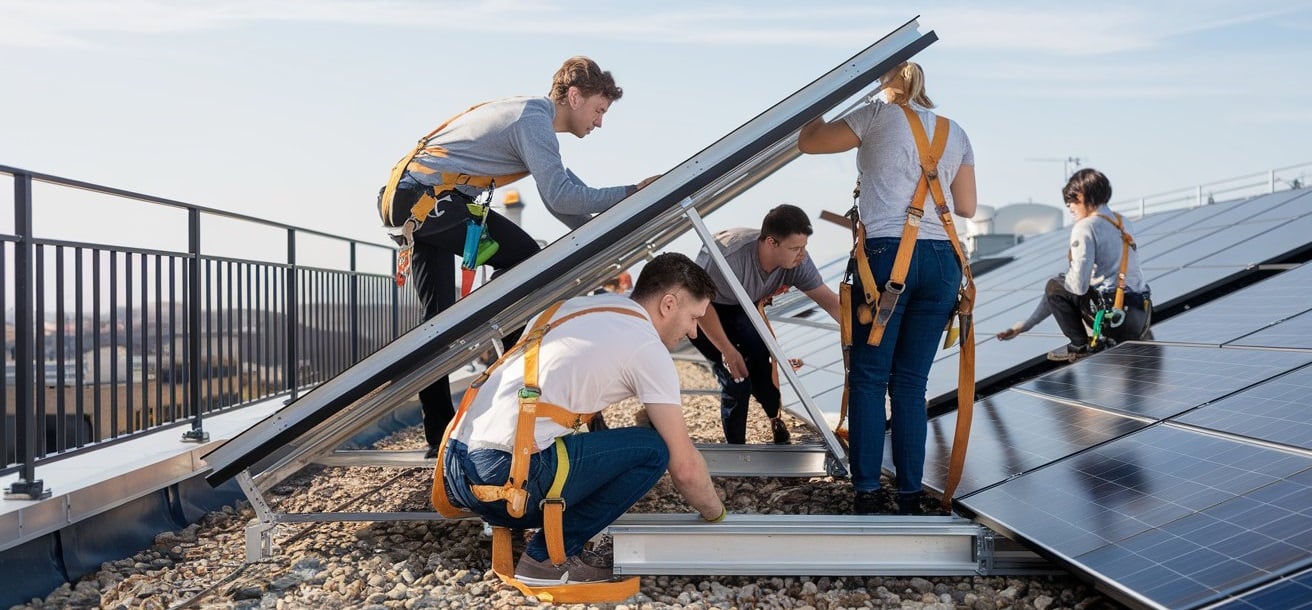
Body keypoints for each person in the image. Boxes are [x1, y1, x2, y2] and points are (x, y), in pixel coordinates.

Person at [377, 56, 660, 458]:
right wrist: (633, 192)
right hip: (429, 201)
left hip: (415, 201)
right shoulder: (533, 121)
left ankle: (440, 436)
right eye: (599, 110)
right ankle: (506, 338)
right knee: (525, 258)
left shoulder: (532, 119)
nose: (599, 123)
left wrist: (597, 237)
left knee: (436, 325)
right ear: (574, 97)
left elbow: (564, 196)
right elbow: (562, 197)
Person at [440, 253, 725, 585]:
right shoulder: (646, 345)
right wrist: (716, 515)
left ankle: (531, 532)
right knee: (653, 449)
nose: (693, 332)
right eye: (693, 318)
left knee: (569, 434)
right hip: (505, 480)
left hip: (457, 473)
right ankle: (549, 558)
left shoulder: (575, 309)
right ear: (669, 304)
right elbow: (685, 468)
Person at [797, 61, 976, 515]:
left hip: (888, 257)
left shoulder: (875, 114)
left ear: (881, 80)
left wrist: (824, 96)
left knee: (870, 378)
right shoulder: (955, 131)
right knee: (911, 384)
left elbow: (809, 141)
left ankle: (868, 492)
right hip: (943, 261)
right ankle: (910, 495)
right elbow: (968, 207)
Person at [689, 204, 841, 445]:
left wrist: (860, 337)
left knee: (763, 361)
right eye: (795, 248)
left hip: (744, 304)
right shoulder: (728, 259)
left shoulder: (799, 262)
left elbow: (831, 302)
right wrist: (728, 351)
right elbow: (700, 306)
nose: (802, 255)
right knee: (736, 376)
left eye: (804, 247)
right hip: (704, 309)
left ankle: (774, 417)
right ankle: (736, 447)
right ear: (771, 243)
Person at [996, 169, 1150, 361]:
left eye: (1072, 200)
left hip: (1114, 320)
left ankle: (1080, 346)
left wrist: (1063, 279)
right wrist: (1027, 324)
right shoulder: (1122, 221)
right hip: (1139, 316)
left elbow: (1076, 287)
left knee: (1055, 284)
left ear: (1086, 196)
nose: (1070, 207)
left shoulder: (1085, 227)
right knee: (1062, 284)